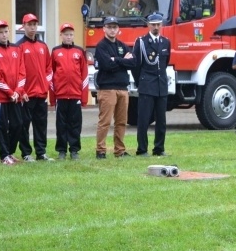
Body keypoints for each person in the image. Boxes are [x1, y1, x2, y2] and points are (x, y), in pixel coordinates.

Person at [94, 16, 135, 159]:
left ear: (118, 29)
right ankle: (101, 150)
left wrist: (115, 59)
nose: (112, 30)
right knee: (105, 121)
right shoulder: (101, 46)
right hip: (107, 89)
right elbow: (107, 65)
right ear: (104, 28)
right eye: (109, 27)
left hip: (123, 88)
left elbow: (133, 62)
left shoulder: (122, 45)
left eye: (115, 27)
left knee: (121, 121)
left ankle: (120, 150)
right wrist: (123, 60)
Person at [131, 12, 171, 156]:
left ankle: (159, 148)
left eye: (158, 24)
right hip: (147, 85)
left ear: (161, 25)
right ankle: (142, 149)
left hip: (161, 85)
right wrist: (140, 82)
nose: (156, 27)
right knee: (144, 120)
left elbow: (165, 63)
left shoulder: (166, 42)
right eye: (153, 24)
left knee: (161, 120)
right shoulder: (141, 42)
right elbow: (136, 65)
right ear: (148, 25)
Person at [0, 19, 26, 165]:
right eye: (0, 32)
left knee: (18, 124)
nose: (4, 35)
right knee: (2, 125)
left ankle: (9, 152)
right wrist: (10, 92)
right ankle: (4, 156)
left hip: (16, 96)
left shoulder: (17, 49)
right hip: (1, 97)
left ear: (9, 32)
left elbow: (23, 72)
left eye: (6, 31)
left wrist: (18, 91)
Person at [17, 13, 54, 161]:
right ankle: (26, 153)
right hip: (27, 94)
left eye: (34, 25)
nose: (32, 28)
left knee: (41, 124)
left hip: (41, 94)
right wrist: (22, 91)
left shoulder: (43, 46)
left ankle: (41, 152)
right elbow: (16, 72)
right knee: (24, 125)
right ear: (24, 26)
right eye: (29, 25)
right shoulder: (19, 46)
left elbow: (49, 68)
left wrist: (45, 85)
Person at [50, 23, 89, 159]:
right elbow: (51, 75)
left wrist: (83, 97)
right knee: (61, 124)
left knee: (75, 124)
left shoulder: (79, 51)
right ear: (61, 35)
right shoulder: (55, 51)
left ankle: (74, 150)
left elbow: (84, 75)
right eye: (66, 34)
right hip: (60, 95)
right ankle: (61, 150)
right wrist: (52, 97)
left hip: (75, 95)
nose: (68, 37)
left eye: (71, 34)